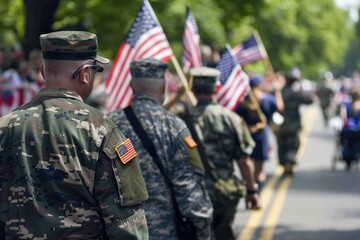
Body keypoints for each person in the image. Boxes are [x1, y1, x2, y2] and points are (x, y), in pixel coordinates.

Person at [0, 31, 149, 239]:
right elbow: (127, 224)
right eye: (95, 71)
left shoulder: (5, 126)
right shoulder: (101, 129)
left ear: (43, 71)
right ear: (85, 73)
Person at [108, 58, 213, 240]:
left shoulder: (108, 124)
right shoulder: (173, 126)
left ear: (132, 85)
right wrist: (203, 232)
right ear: (164, 86)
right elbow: (190, 189)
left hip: (120, 231)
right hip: (165, 231)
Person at [183, 67, 261, 240]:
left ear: (193, 90)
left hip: (191, 193)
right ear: (217, 89)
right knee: (224, 233)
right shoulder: (231, 119)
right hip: (224, 193)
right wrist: (251, 191)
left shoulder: (181, 120)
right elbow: (244, 161)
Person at [236, 74, 284, 189]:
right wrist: (277, 92)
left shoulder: (243, 101)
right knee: (259, 167)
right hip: (261, 135)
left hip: (246, 135)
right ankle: (257, 187)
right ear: (259, 85)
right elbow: (280, 107)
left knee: (246, 164)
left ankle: (250, 185)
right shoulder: (267, 99)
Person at [276, 74, 314, 175]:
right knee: (293, 145)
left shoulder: (279, 93)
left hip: (281, 126)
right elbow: (309, 100)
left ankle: (286, 164)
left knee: (282, 145)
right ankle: (289, 162)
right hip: (292, 125)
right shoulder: (294, 94)